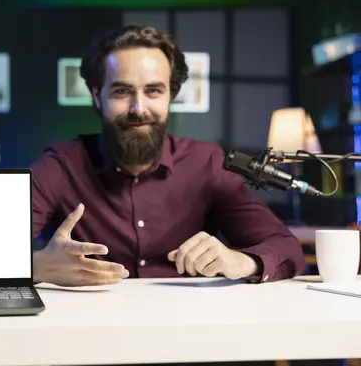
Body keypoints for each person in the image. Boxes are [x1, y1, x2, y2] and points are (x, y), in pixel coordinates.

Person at [31, 25, 306, 287]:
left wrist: (240, 261)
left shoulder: (206, 163)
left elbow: (286, 248)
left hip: (186, 330)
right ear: (97, 96)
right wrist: (37, 266)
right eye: (121, 91)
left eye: (153, 91)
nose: (138, 108)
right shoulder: (60, 165)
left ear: (170, 96)